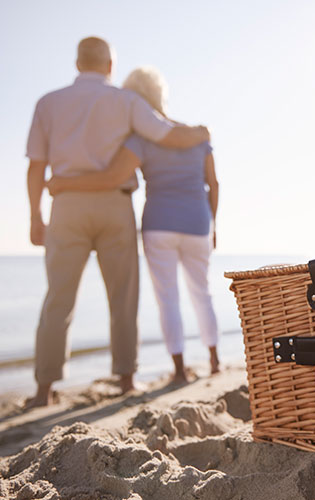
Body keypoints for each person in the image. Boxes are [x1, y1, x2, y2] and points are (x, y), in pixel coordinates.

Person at [26, 37, 210, 408]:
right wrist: (202, 133)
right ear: (110, 66)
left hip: (66, 206)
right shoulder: (126, 101)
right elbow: (168, 135)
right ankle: (127, 379)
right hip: (115, 206)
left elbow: (36, 165)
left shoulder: (47, 102)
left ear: (78, 63)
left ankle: (44, 391)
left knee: (58, 299)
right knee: (123, 296)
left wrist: (35, 215)